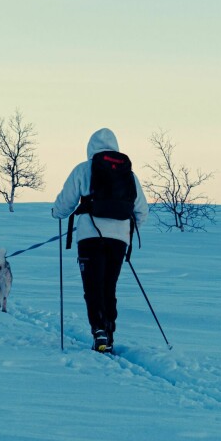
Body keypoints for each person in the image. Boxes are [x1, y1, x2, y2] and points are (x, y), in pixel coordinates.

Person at [52, 128, 149, 353]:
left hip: (90, 237)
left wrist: (56, 213)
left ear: (90, 147)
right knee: (109, 286)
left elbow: (65, 203)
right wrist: (125, 230)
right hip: (118, 240)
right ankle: (109, 332)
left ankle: (99, 332)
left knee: (93, 286)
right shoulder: (128, 174)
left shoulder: (83, 169)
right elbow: (141, 210)